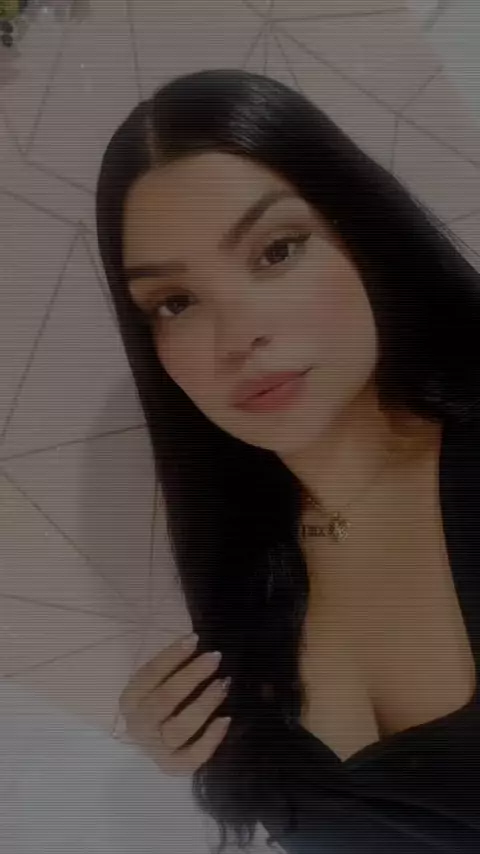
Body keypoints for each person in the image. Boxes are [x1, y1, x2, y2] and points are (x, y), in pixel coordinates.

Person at [95, 69, 480, 853]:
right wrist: (197, 751)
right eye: (175, 302)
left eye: (276, 251)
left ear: (363, 235)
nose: (237, 337)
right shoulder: (243, 568)